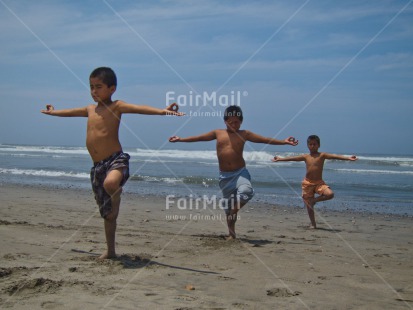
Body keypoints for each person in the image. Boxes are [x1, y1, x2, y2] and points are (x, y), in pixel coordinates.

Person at [41, 67, 184, 259]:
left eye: (98, 87)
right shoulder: (89, 109)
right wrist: (54, 112)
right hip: (98, 166)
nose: (94, 92)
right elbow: (70, 112)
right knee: (108, 216)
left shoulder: (117, 106)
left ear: (112, 88)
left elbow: (139, 108)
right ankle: (110, 251)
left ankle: (116, 194)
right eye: (91, 87)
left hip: (116, 160)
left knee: (111, 184)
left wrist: (163, 111)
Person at [169, 105, 298, 239]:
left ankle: (235, 209)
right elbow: (199, 138)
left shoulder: (244, 134)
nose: (234, 125)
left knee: (246, 191)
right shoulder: (218, 133)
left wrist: (284, 142)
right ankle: (232, 234)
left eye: (237, 122)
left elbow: (265, 140)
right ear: (225, 121)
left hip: (240, 172)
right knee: (227, 208)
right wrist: (181, 139)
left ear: (241, 121)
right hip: (224, 176)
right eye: (230, 122)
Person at [272, 134, 357, 229]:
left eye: (315, 144)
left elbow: (334, 156)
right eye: (310, 144)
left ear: (319, 145)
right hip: (307, 183)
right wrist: (280, 159)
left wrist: (348, 158)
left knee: (330, 194)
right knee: (309, 207)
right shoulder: (306, 156)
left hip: (319, 183)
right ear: (308, 145)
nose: (312, 146)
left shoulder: (322, 155)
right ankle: (313, 224)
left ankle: (314, 201)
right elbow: (294, 158)